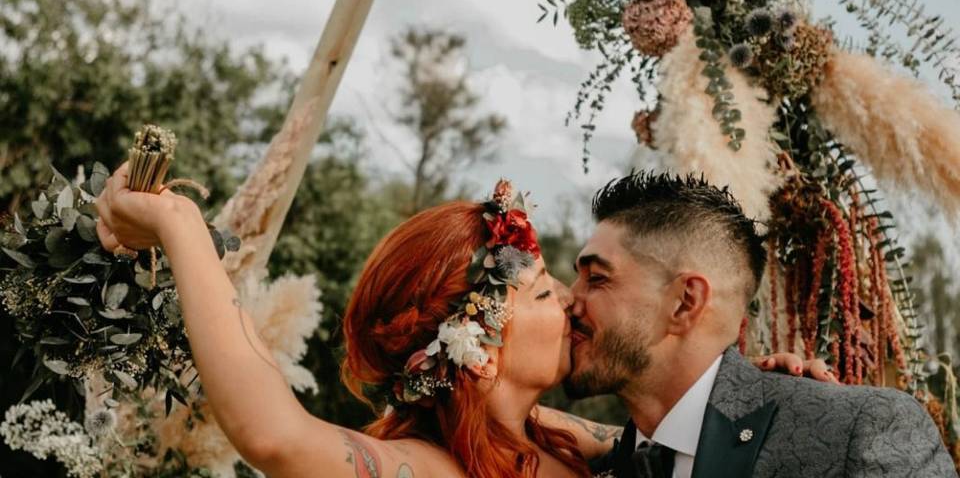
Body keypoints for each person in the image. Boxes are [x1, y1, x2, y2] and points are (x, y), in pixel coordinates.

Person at [95, 164, 824, 478]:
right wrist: (176, 221)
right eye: (543, 295)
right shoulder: (428, 467)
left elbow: (695, 428)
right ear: (478, 349)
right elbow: (273, 435)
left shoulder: (577, 444)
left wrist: (764, 391)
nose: (572, 302)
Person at [572, 171, 957, 478]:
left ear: (685, 302)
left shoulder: (855, 431)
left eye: (597, 278)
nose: (570, 300)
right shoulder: (599, 464)